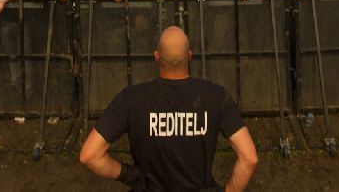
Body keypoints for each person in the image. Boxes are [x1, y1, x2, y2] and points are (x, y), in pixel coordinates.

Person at [79, 26, 257, 191]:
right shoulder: (216, 96)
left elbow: (89, 155)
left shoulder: (131, 98)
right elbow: (249, 158)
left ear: (156, 56)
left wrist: (129, 175)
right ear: (189, 55)